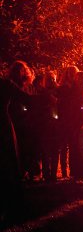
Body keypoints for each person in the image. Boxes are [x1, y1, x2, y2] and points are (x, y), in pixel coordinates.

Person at [0, 66, 33, 222]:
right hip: (3, 126)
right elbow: (26, 99)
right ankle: (12, 204)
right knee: (9, 162)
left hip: (5, 124)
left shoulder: (7, 84)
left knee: (8, 163)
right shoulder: (6, 85)